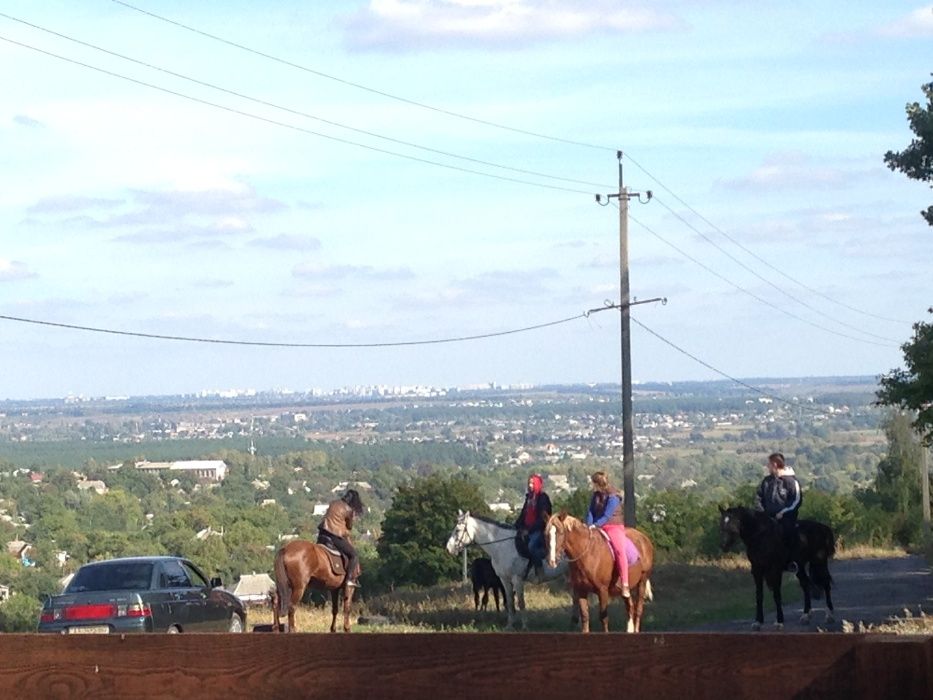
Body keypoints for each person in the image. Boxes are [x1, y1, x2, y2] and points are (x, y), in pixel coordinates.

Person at [754, 452, 802, 572]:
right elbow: (758, 497)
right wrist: (762, 512)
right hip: (768, 517)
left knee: (788, 534)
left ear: (775, 464)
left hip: (786, 518)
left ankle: (792, 561)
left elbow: (796, 500)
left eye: (769, 464)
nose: (767, 466)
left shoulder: (791, 482)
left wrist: (783, 513)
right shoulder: (766, 481)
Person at [585, 470, 630, 597]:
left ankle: (625, 583)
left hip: (613, 526)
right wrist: (589, 525)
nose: (592, 486)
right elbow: (590, 511)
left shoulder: (613, 496)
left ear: (598, 483)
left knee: (620, 551)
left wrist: (596, 525)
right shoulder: (596, 495)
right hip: (597, 527)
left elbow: (607, 515)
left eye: (593, 483)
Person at [317, 488, 364, 588]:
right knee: (353, 555)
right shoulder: (348, 510)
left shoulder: (333, 503)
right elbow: (349, 526)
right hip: (334, 536)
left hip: (322, 533)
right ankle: (349, 579)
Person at [514, 473, 551, 577]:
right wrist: (515, 526)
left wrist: (529, 530)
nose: (530, 485)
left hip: (539, 530)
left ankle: (540, 570)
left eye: (532, 483)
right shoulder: (529, 498)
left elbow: (542, 519)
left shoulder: (543, 498)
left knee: (532, 547)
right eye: (529, 483)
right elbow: (523, 514)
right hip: (527, 528)